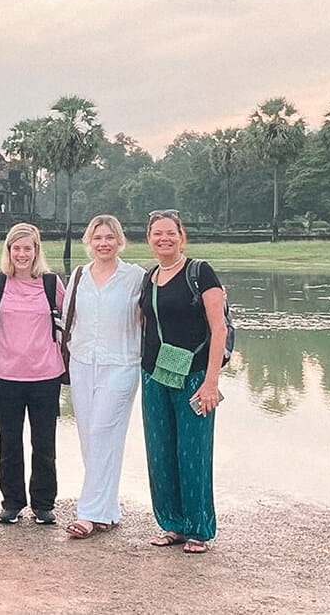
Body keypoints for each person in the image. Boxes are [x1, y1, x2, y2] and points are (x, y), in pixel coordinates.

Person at [141, 209, 228, 554]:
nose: (164, 239)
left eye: (170, 233)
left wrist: (210, 381)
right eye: (157, 234)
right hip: (154, 374)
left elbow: (219, 328)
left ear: (182, 236)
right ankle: (171, 524)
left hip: (193, 375)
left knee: (192, 451)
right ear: (148, 239)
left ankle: (198, 528)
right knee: (160, 450)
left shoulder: (200, 272)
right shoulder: (149, 276)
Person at [63, 215, 144, 539]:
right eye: (98, 238)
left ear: (120, 240)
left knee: (102, 432)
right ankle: (107, 510)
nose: (104, 243)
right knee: (90, 437)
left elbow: (152, 313)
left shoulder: (135, 276)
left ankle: (88, 513)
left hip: (121, 363)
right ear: (89, 241)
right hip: (82, 362)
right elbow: (68, 316)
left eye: (110, 237)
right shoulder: (80, 275)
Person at [0, 223, 65, 526]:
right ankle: (12, 501)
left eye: (27, 248)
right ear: (9, 251)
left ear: (36, 251)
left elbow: (72, 318)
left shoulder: (50, 283)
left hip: (45, 374)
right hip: (5, 374)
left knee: (44, 442)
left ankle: (44, 503)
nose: (22, 254)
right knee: (9, 441)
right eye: (16, 248)